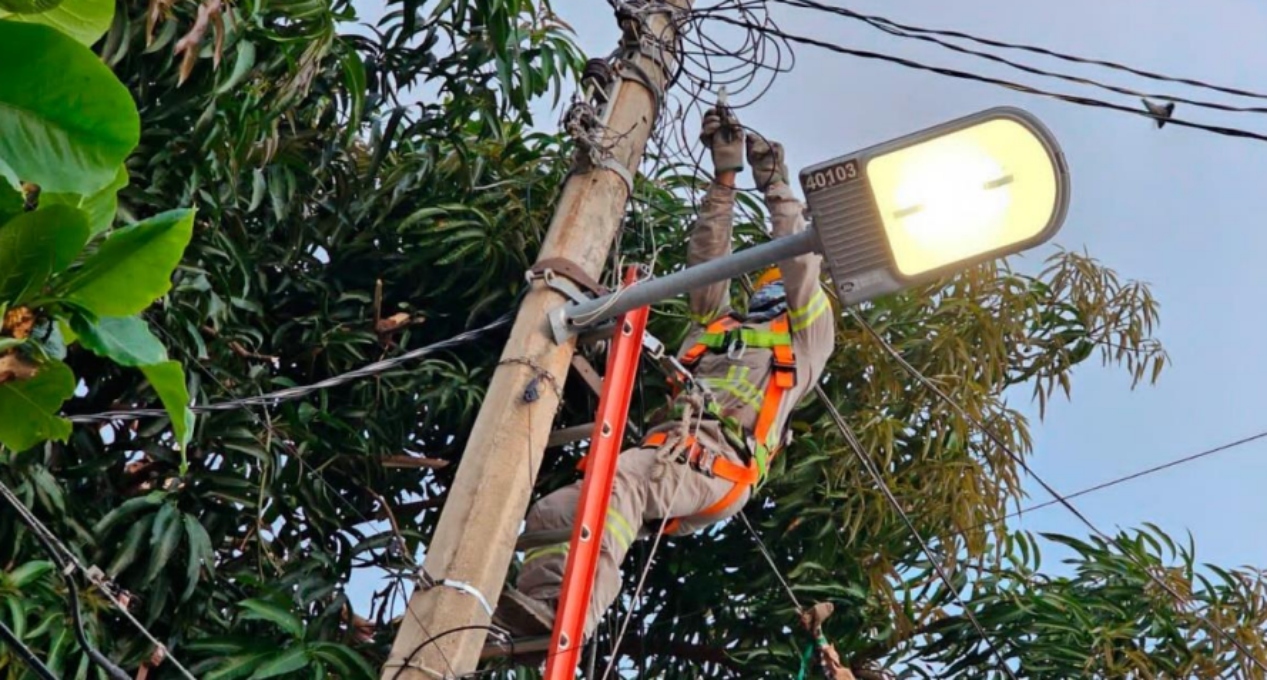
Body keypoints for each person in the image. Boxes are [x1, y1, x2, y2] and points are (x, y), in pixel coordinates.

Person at [495, 107, 837, 641]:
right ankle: (533, 620)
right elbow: (708, 254)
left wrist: (776, 186)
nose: (770, 292)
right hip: (667, 452)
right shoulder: (715, 326)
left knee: (620, 490)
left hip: (717, 463)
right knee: (553, 512)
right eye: (763, 285)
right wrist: (724, 178)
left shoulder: (806, 341)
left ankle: (571, 620)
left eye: (779, 287)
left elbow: (800, 263)